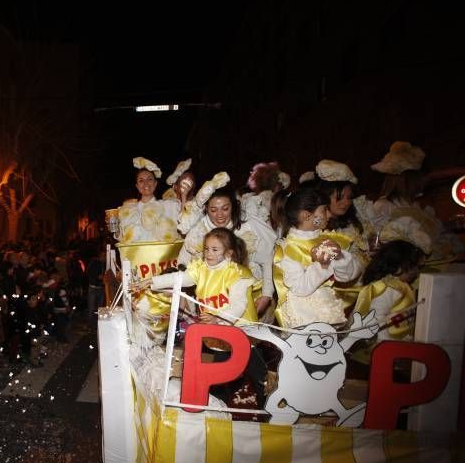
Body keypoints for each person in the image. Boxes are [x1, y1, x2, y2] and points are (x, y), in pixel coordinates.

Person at [143, 228, 266, 406]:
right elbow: (179, 277)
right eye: (206, 249)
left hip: (243, 335)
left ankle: (271, 408)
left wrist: (218, 317)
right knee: (219, 376)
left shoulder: (238, 273)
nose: (209, 253)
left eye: (215, 250)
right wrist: (152, 281)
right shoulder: (200, 269)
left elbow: (239, 306)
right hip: (219, 336)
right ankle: (216, 407)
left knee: (259, 376)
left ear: (228, 253)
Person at [177, 172, 277, 316]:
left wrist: (267, 293)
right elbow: (182, 264)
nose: (220, 215)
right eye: (213, 210)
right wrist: (181, 295)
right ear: (206, 209)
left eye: (225, 208)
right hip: (212, 301)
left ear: (233, 206)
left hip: (250, 295)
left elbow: (266, 259)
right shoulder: (198, 232)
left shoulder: (246, 227)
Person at [272, 185, 363, 328]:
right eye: (324, 210)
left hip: (327, 311)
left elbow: (349, 275)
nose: (329, 215)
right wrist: (323, 265)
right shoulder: (289, 249)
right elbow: (300, 288)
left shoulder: (327, 239)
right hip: (303, 318)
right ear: (306, 216)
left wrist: (339, 256)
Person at [354, 240, 424, 343]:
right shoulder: (385, 289)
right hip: (380, 347)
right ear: (399, 268)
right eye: (415, 267)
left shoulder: (399, 286)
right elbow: (377, 322)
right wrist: (389, 347)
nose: (417, 271)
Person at [115, 157, 181, 243]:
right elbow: (123, 237)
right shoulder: (129, 210)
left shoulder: (168, 206)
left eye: (149, 179)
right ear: (137, 186)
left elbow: (183, 225)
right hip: (136, 256)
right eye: (141, 180)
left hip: (161, 255)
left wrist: (183, 195)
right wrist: (115, 228)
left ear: (155, 184)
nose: (146, 183)